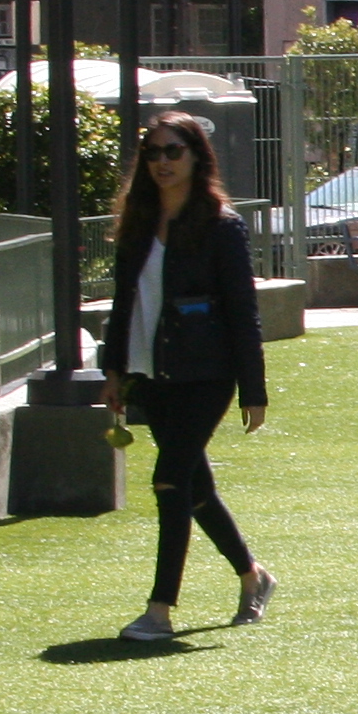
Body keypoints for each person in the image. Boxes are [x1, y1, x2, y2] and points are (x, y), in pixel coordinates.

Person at [97, 110, 276, 642]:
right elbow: (123, 303)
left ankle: (159, 610)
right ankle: (254, 576)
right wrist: (113, 370)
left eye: (172, 151)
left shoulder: (221, 225)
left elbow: (244, 311)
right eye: (152, 153)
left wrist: (254, 388)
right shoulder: (138, 218)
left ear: (198, 157)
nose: (161, 163)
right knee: (194, 487)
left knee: (168, 481)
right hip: (151, 374)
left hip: (206, 372)